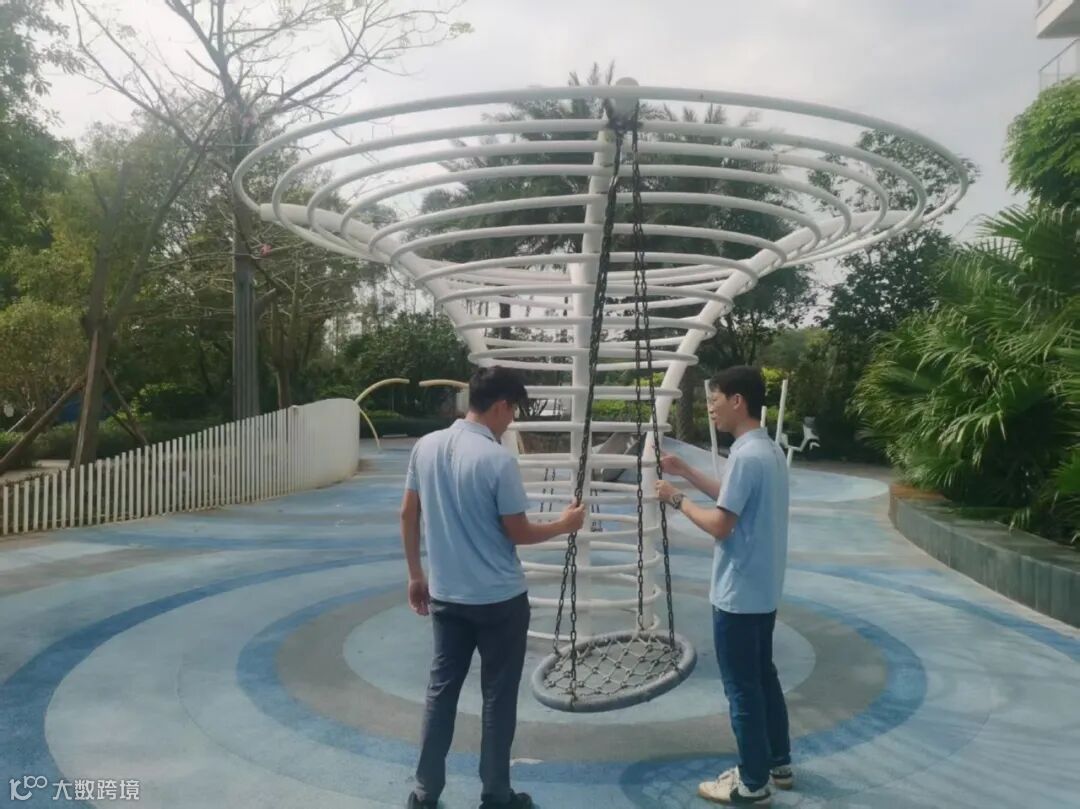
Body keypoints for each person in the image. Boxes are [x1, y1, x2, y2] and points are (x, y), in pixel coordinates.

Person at [401, 366, 587, 809]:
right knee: (498, 698)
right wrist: (564, 524)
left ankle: (425, 792)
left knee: (441, 692)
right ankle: (496, 794)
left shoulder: (425, 446)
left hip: (446, 595)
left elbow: (408, 513)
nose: (512, 420)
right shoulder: (497, 459)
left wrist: (415, 574)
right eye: (513, 411)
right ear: (501, 405)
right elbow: (517, 531)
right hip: (499, 600)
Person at [654, 366, 792, 806]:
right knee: (763, 676)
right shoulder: (767, 451)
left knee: (742, 689)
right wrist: (685, 471)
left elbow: (720, 524)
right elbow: (732, 495)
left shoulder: (747, 457)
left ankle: (752, 782)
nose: (710, 408)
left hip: (738, 593)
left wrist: (676, 498)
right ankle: (778, 762)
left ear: (737, 401)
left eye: (715, 400)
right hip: (763, 588)